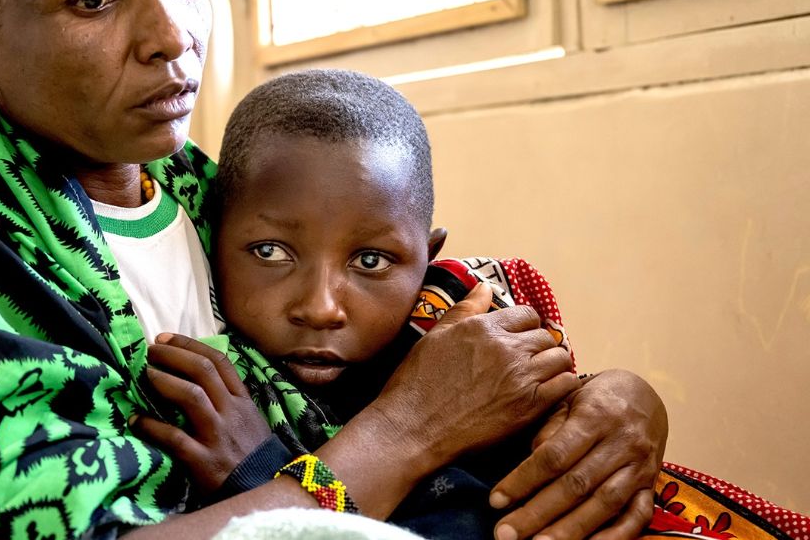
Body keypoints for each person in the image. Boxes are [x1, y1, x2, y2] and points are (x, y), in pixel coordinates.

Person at [0, 0, 671, 538]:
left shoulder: (189, 186)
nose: (171, 35)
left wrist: (617, 405)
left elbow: (424, 321)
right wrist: (405, 435)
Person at [132, 69, 657, 539]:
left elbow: (553, 454)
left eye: (371, 262)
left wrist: (634, 396)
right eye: (271, 252)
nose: (320, 308)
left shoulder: (461, 332)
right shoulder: (218, 389)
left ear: (427, 258)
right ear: (211, 239)